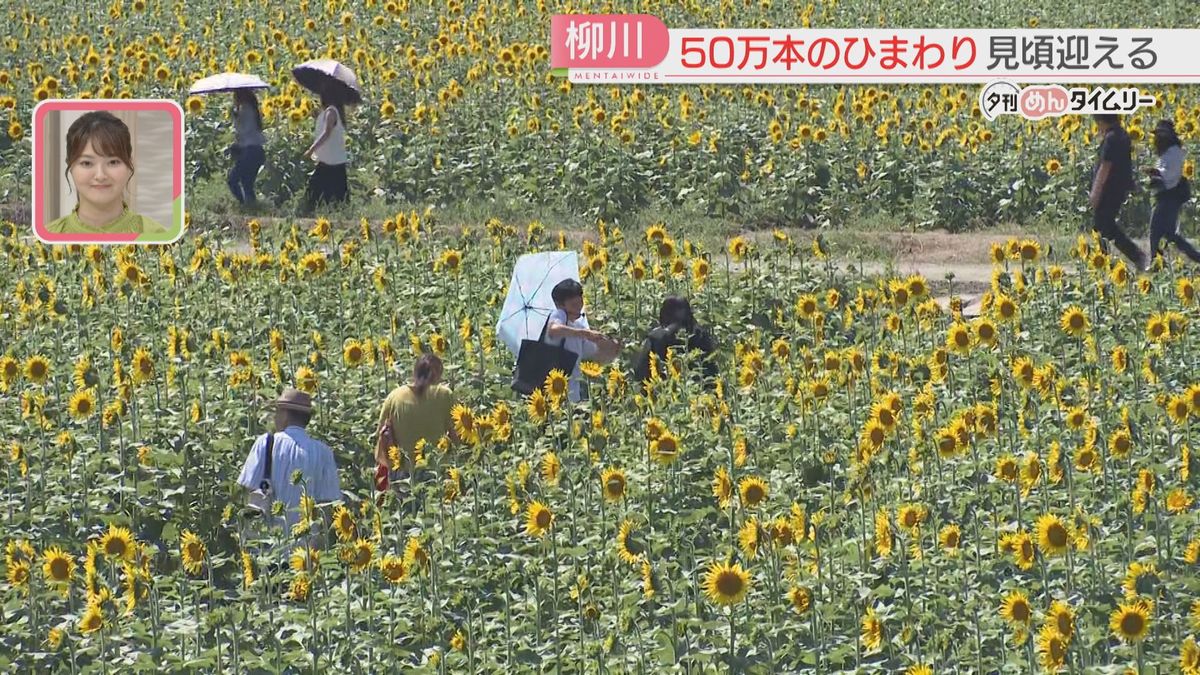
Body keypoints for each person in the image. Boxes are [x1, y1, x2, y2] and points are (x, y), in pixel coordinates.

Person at [236, 388, 341, 535]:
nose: (275, 418)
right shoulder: (324, 453)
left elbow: (248, 492)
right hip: (306, 549)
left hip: (267, 548)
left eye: (277, 412)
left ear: (284, 414)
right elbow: (327, 509)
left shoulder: (266, 443)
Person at [45, 111, 169, 235]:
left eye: (113, 162)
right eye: (87, 163)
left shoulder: (156, 235)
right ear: (70, 166)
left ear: (129, 165)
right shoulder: (48, 237)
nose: (100, 176)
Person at [374, 354, 458, 482]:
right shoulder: (445, 395)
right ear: (438, 374)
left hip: (402, 474)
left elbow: (381, 432)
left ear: (415, 372)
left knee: (406, 501)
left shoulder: (395, 396)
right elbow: (456, 435)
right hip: (436, 471)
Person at [544, 279, 620, 403]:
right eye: (574, 304)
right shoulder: (559, 316)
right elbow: (553, 330)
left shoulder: (578, 326)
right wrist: (586, 334)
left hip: (572, 396)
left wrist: (613, 348)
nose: (579, 307)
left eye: (580, 302)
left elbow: (594, 355)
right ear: (561, 305)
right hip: (552, 393)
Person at [1089, 113, 1149, 270]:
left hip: (1108, 189)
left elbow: (1105, 167)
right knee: (1103, 226)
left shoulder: (1111, 138)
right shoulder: (1122, 135)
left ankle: (1134, 257)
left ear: (1101, 121)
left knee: (1103, 226)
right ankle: (1106, 261)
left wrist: (1095, 192)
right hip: (1119, 187)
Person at [1146, 119, 1200, 265]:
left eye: (1161, 134)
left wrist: (1157, 172)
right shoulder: (1167, 152)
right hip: (1165, 195)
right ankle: (1158, 262)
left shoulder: (1175, 152)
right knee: (1167, 233)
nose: (1157, 138)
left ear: (1169, 136)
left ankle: (1155, 263)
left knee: (1158, 231)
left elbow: (1171, 174)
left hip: (1171, 196)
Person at [633, 296, 718, 385]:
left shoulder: (655, 338)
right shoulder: (701, 336)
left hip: (662, 392)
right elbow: (712, 373)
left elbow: (641, 374)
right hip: (698, 394)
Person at [303, 82, 349, 211]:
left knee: (315, 191)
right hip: (334, 159)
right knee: (336, 194)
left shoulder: (331, 112)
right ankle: (336, 216)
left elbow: (327, 132)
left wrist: (312, 149)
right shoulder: (333, 111)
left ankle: (309, 213)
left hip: (330, 160)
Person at [228, 89, 266, 206]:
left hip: (250, 151)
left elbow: (244, 130)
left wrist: (235, 118)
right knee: (247, 184)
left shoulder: (246, 109)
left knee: (233, 180)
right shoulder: (252, 108)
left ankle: (243, 205)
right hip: (257, 151)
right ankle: (251, 208)